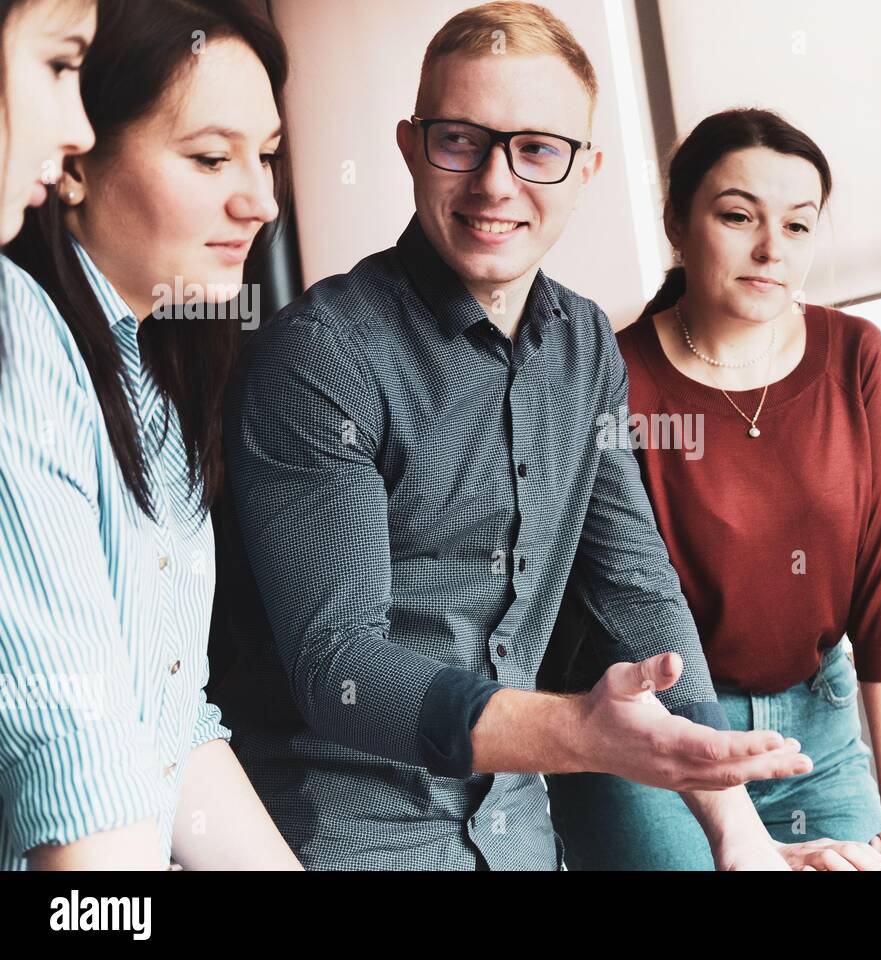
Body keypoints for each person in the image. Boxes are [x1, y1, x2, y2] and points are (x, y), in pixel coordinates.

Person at [212, 1, 816, 871]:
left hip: (521, 843)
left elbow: (636, 589)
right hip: (342, 845)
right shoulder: (317, 356)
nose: (496, 184)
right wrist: (581, 732)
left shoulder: (583, 343)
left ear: (586, 168)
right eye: (460, 139)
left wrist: (740, 834)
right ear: (410, 146)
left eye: (536, 149)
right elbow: (337, 667)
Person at [544, 108, 881, 872]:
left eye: (800, 226)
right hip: (655, 735)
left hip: (818, 726)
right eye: (739, 216)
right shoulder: (610, 376)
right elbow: (632, 605)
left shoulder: (855, 354)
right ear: (677, 222)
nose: (773, 250)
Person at [2, 0, 300, 869]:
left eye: (268, 154)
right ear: (77, 163)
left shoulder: (158, 381)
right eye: (211, 157)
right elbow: (74, 744)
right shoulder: (23, 332)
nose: (262, 199)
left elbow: (170, 718)